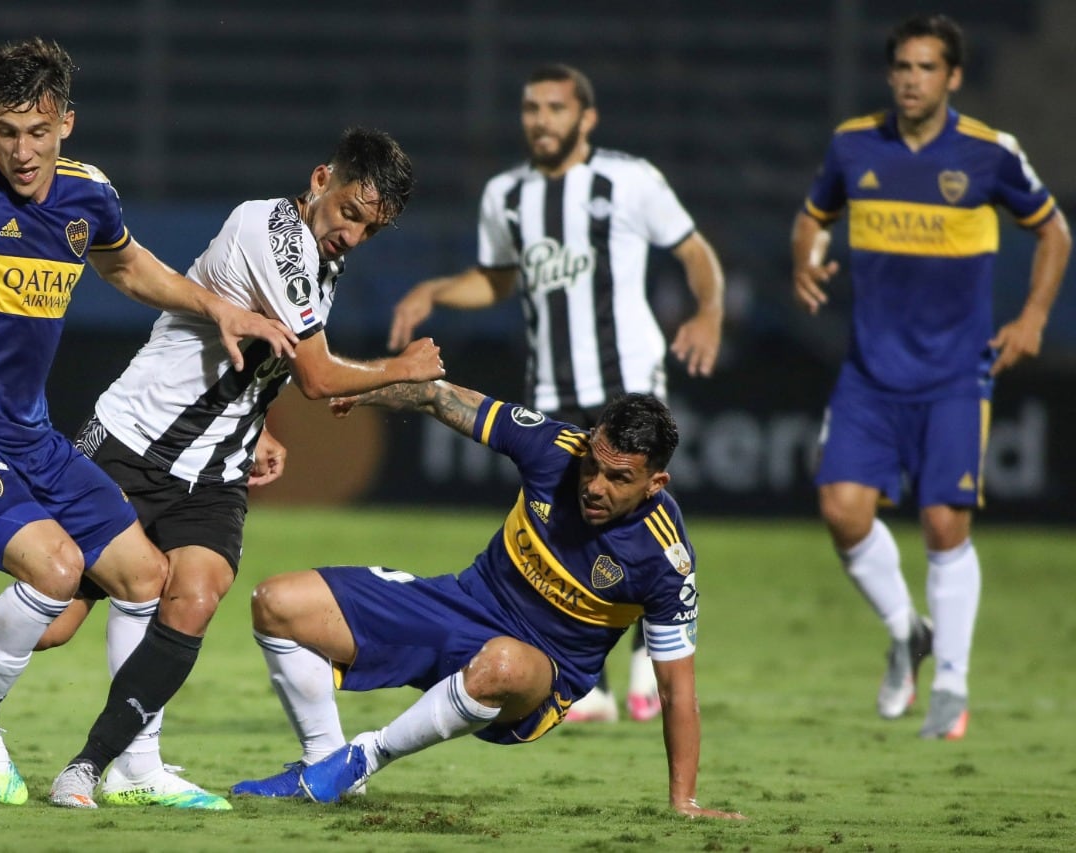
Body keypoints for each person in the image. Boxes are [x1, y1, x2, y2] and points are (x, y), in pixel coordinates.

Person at [0, 126, 445, 809]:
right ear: (321, 180)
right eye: (351, 213)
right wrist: (405, 373)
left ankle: (108, 766)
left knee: (194, 592)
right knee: (57, 616)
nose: (353, 235)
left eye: (370, 229)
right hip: (130, 442)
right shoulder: (273, 230)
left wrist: (258, 426)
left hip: (214, 470)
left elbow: (277, 361)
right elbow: (319, 376)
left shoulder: (324, 259)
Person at [0, 37, 300, 806]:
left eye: (37, 131)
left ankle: (132, 764)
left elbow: (130, 267)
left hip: (31, 435)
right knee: (58, 572)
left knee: (144, 575)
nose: (21, 151)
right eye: (5, 131)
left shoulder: (87, 194)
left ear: (66, 121)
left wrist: (221, 307)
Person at [230, 380, 743, 821]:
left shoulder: (664, 558)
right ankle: (326, 763)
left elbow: (677, 690)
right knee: (277, 602)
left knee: (501, 662)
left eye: (619, 478)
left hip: (539, 671)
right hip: (461, 605)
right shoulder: (555, 449)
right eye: (593, 465)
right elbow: (440, 396)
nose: (594, 486)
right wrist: (372, 389)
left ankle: (364, 758)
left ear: (656, 483)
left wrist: (685, 800)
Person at [388, 63, 725, 723]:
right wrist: (436, 290)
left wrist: (709, 308)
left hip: (628, 384)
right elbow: (497, 281)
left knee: (638, 521)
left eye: (555, 108)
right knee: (566, 527)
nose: (541, 120)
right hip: (550, 388)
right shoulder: (505, 194)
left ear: (586, 117)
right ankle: (586, 681)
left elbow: (693, 251)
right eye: (531, 108)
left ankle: (647, 667)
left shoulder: (631, 179)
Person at [792, 14, 1070, 740]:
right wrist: (804, 258)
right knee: (842, 509)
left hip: (954, 373)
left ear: (953, 77)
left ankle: (951, 680)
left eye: (926, 68)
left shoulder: (988, 154)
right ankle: (905, 630)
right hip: (869, 372)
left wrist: (1034, 316)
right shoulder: (855, 144)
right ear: (890, 75)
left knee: (945, 523)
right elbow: (812, 216)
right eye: (902, 67)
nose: (912, 79)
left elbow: (1054, 230)